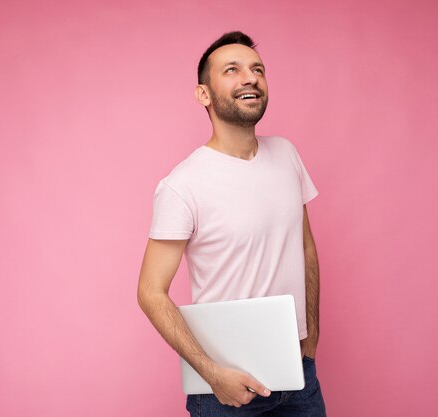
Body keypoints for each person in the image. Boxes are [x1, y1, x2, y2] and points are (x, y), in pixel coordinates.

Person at [137, 31, 327, 417]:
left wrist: (312, 336)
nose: (250, 77)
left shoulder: (287, 154)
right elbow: (150, 292)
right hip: (223, 389)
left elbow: (305, 246)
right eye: (232, 70)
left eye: (257, 69)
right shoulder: (182, 185)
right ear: (203, 94)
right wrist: (211, 373)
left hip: (297, 375)